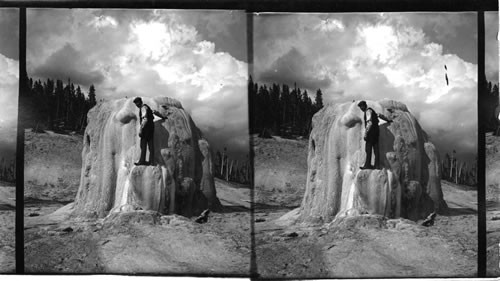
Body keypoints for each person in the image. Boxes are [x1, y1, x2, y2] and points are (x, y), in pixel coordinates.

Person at [358, 101, 392, 170]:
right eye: (360, 107)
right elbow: (379, 115)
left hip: (370, 133)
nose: (361, 108)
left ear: (365, 105)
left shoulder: (367, 112)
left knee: (368, 148)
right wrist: (387, 120)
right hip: (376, 133)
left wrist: (366, 134)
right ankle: (377, 165)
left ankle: (367, 165)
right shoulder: (372, 111)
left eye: (362, 106)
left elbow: (369, 123)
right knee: (376, 149)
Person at [133, 97, 155, 165]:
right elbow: (154, 113)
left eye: (137, 103)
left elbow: (145, 119)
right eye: (136, 104)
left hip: (146, 129)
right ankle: (152, 161)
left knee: (143, 144)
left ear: (140, 102)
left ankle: (142, 160)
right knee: (151, 145)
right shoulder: (147, 107)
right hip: (151, 128)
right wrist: (162, 117)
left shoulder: (143, 108)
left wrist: (141, 130)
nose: (136, 105)